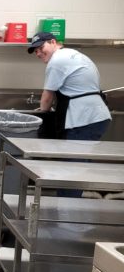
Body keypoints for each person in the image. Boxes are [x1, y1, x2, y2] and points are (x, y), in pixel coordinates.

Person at [28, 31, 111, 197]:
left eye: (40, 47)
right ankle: (70, 207)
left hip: (83, 119)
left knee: (72, 168)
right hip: (96, 116)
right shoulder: (75, 55)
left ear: (53, 42)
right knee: (77, 166)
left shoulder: (56, 61)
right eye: (35, 51)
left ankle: (65, 210)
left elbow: (47, 97)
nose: (38, 53)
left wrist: (41, 114)